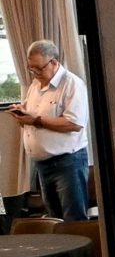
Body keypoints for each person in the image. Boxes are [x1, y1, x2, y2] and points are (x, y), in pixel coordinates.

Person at [12, 39, 92, 219]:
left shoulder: (71, 84)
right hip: (42, 164)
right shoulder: (35, 85)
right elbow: (31, 116)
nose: (35, 73)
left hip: (67, 162)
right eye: (31, 68)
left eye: (39, 68)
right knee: (53, 220)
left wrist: (36, 121)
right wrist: (22, 115)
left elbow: (74, 124)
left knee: (73, 220)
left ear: (54, 62)